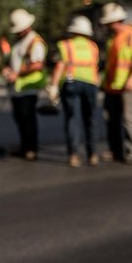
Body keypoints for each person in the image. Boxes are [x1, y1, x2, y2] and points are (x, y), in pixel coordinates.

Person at [48, 16, 101, 167]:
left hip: (71, 82)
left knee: (72, 119)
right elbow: (96, 67)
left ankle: (74, 155)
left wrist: (53, 86)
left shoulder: (65, 45)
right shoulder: (93, 46)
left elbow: (59, 66)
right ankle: (92, 154)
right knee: (90, 119)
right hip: (91, 83)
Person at [99, 2, 132, 164]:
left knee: (128, 119)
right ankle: (115, 150)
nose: (106, 26)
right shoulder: (113, 40)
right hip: (112, 86)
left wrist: (131, 78)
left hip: (127, 86)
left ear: (115, 22)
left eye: (108, 23)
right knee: (111, 119)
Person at [2, 8, 47, 161]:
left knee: (28, 119)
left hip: (29, 87)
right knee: (20, 118)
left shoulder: (35, 42)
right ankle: (25, 146)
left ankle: (31, 148)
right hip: (18, 87)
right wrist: (9, 71)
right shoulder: (20, 42)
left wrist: (17, 74)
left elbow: (37, 65)